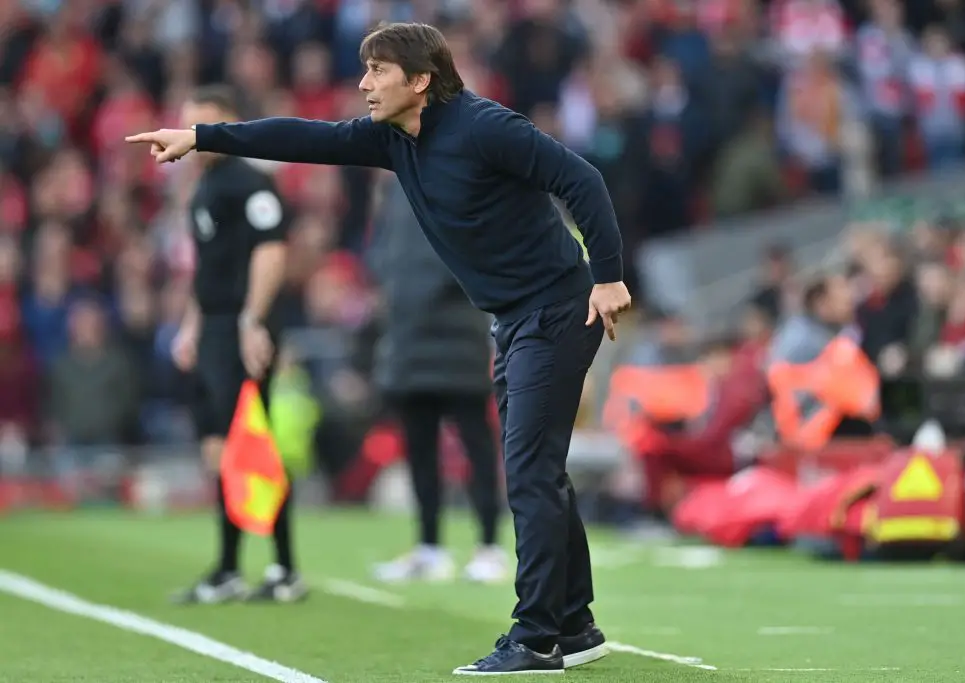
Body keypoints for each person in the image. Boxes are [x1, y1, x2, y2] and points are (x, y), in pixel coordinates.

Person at [127, 22, 631, 675]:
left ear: (420, 80)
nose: (364, 83)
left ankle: (536, 636)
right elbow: (305, 137)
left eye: (378, 71)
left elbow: (581, 178)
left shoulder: (484, 128)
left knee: (530, 472)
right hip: (512, 318)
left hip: (557, 308)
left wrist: (610, 275)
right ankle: (574, 623)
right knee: (539, 470)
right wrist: (201, 137)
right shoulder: (396, 139)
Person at [166, 85, 306, 605]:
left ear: (231, 123)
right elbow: (209, 267)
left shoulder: (250, 182)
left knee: (254, 444)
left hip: (242, 328)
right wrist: (191, 326)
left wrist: (253, 320)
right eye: (190, 122)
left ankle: (285, 568)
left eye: (206, 122)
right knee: (219, 448)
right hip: (215, 329)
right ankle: (227, 568)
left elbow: (270, 252)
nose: (197, 133)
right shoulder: (206, 185)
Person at [367, 172, 506, 584]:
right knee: (419, 448)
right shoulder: (395, 188)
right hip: (408, 340)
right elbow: (380, 252)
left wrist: (416, 296)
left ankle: (489, 546)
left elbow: (475, 252)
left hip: (456, 336)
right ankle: (429, 547)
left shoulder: (463, 181)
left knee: (476, 447)